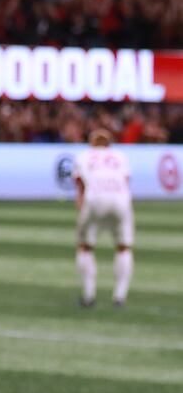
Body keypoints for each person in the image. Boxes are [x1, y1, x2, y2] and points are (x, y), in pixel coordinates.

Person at [73, 129, 134, 308]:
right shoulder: (120, 156)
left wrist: (82, 213)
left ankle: (89, 295)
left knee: (85, 246)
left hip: (95, 197)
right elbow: (126, 181)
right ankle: (120, 296)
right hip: (121, 199)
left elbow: (80, 188)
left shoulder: (84, 156)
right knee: (123, 247)